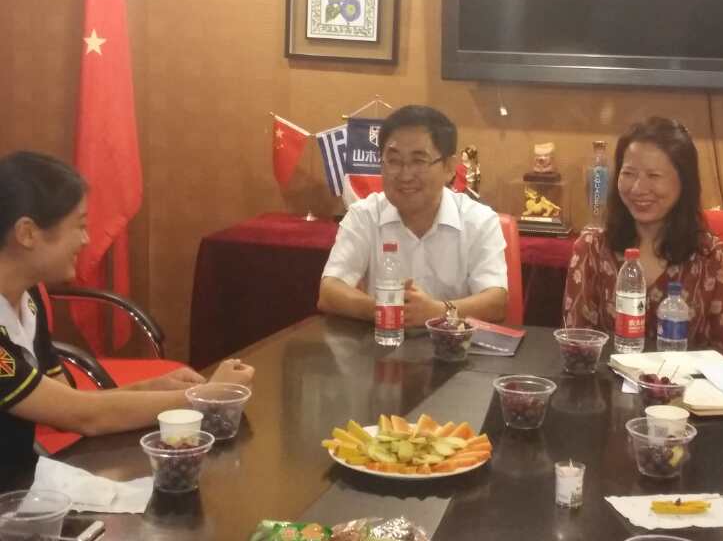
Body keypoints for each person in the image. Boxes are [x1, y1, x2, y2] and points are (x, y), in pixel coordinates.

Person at [0, 151, 255, 484]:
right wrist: (206, 398)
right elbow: (82, 416)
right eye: (79, 226)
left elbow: (65, 404)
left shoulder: (28, 296)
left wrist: (151, 387)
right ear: (27, 233)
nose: (86, 240)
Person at [563, 117, 723, 361]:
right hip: (606, 383)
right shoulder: (591, 250)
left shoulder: (717, 260)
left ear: (684, 182)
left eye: (654, 176)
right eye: (628, 173)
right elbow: (576, 348)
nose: (638, 188)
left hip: (686, 385)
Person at [318, 105, 508, 326]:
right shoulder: (364, 215)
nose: (405, 175)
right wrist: (388, 309)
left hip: (454, 345)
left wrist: (437, 311)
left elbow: (496, 302)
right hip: (384, 342)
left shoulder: (480, 220)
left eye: (418, 161)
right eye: (394, 161)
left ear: (449, 167)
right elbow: (329, 292)